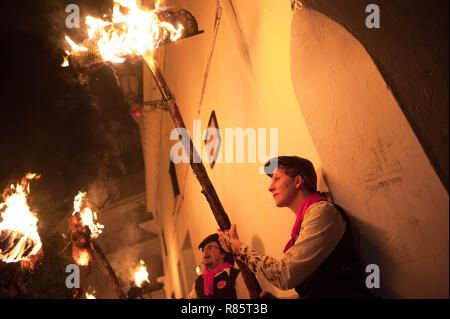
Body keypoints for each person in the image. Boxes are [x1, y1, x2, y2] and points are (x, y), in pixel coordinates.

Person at [218, 156, 374, 299]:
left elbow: (285, 275)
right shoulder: (304, 224)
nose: (270, 187)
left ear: (298, 181)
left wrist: (239, 249)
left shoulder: (322, 212)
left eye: (277, 178)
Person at [188, 233, 249, 299]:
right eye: (203, 249)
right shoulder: (199, 282)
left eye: (211, 247)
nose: (205, 251)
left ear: (223, 253)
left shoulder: (235, 275)